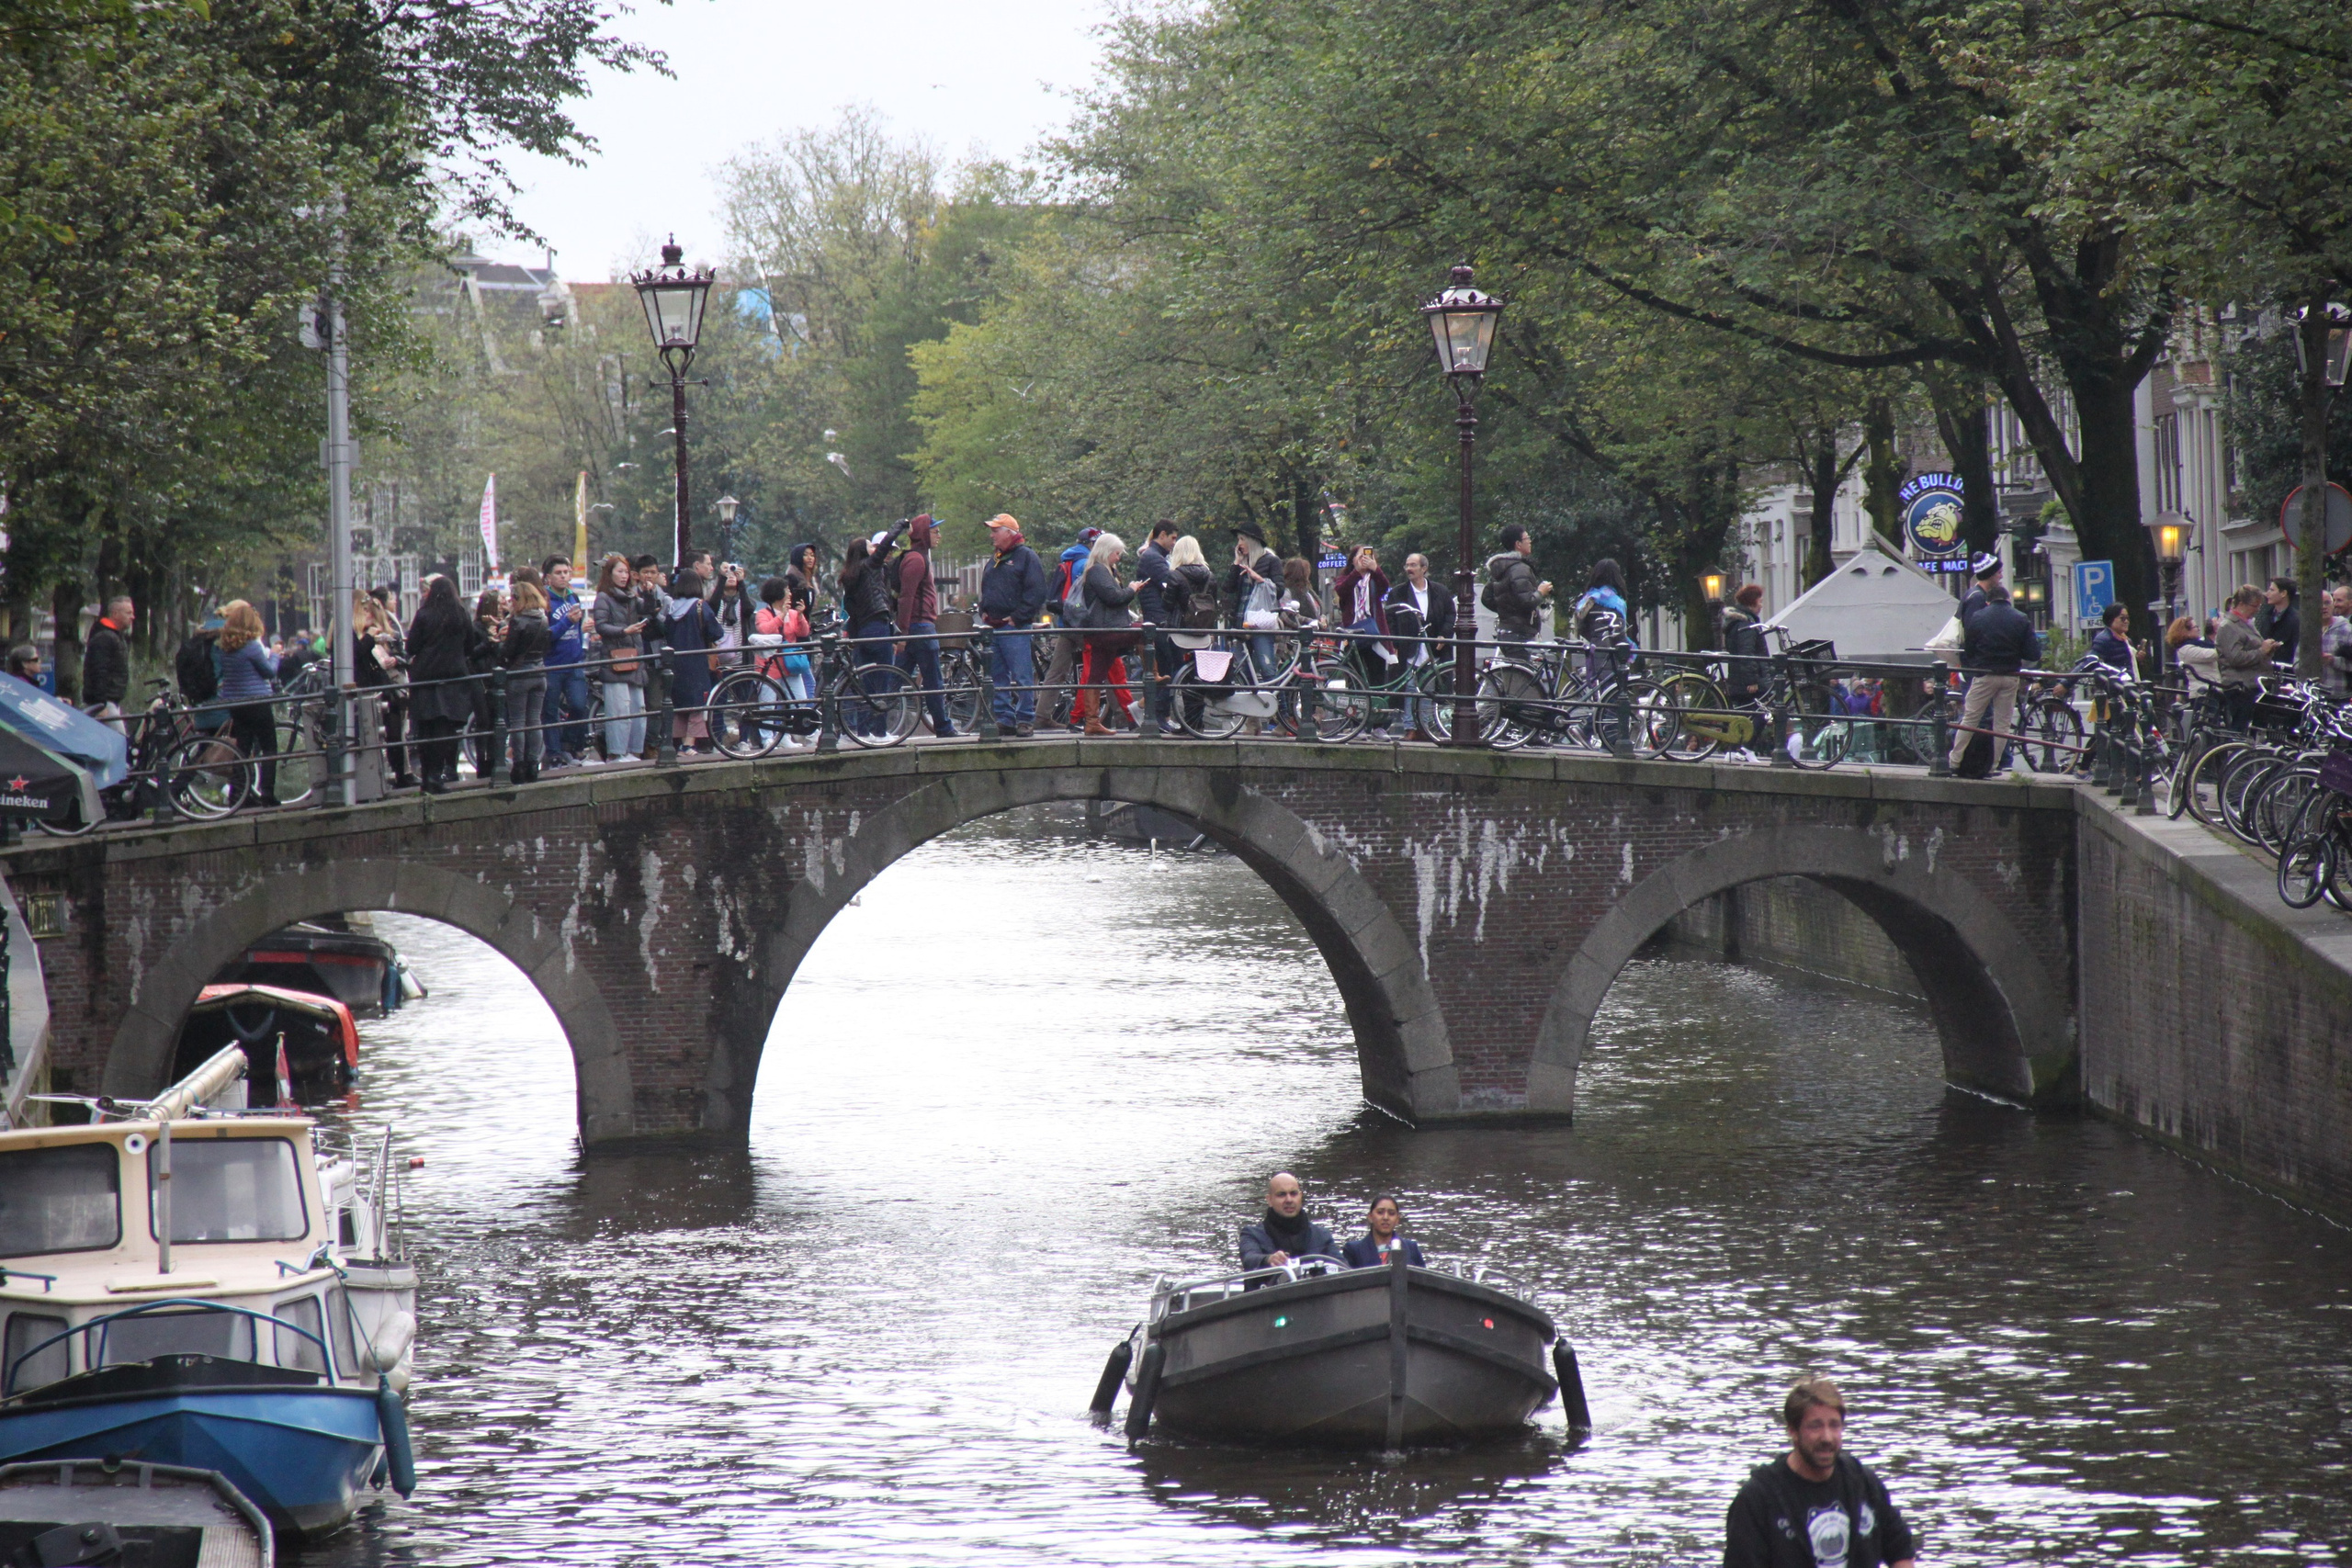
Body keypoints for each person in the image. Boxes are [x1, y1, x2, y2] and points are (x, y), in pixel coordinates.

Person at [1724, 1376, 1917, 1568]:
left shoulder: (1863, 1483)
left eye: (1834, 1425)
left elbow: (1900, 1549)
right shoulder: (1758, 1499)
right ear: (1793, 1431)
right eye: (1815, 1426)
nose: (1827, 1438)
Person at [1949, 582, 2040, 777]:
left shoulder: (1978, 617)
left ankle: (1954, 761)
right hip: (2010, 676)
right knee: (2002, 724)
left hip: (1985, 675)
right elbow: (2033, 653)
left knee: (1970, 718)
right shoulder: (2021, 618)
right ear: (2008, 599)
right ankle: (1992, 765)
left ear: (1988, 602)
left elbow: (1969, 649)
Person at [978, 513, 1049, 737]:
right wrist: (983, 610)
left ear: (1009, 533)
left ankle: (1025, 718)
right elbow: (988, 586)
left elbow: (1037, 591)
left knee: (1022, 675)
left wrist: (1018, 617)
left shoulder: (1026, 557)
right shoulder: (996, 558)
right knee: (997, 675)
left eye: (995, 531)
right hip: (995, 626)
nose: (991, 535)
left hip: (1014, 626)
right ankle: (1005, 718)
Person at [405, 575, 475, 794]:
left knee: (426, 731)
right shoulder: (461, 614)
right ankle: (438, 775)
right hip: (453, 679)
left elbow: (411, 647)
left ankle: (427, 777)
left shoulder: (424, 615)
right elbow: (470, 645)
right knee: (445, 731)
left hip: (426, 679)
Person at [892, 514, 957, 739]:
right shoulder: (916, 560)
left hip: (917, 628)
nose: (939, 535)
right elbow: (906, 597)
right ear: (923, 534)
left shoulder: (918, 558)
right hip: (920, 628)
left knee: (894, 679)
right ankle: (944, 728)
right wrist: (903, 633)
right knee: (933, 680)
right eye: (935, 531)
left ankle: (872, 722)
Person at [215, 600, 281, 806]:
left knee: (242, 749)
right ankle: (267, 793)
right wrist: (275, 656)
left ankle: (238, 795)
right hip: (257, 701)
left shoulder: (225, 648)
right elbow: (268, 672)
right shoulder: (252, 647)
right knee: (269, 747)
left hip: (236, 704)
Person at [1385, 552, 1455, 741]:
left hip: (1433, 648)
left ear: (1424, 568)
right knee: (1410, 686)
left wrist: (1444, 635)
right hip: (1408, 647)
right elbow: (1389, 618)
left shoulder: (1440, 591)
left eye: (1413, 565)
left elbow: (1450, 615)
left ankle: (1424, 727)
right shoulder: (1398, 593)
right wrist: (1395, 642)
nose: (1409, 569)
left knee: (1428, 687)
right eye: (1407, 565)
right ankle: (1410, 727)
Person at [1077, 531, 1140, 735]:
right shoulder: (1098, 571)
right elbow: (1113, 597)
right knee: (1145, 632)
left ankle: (1092, 722)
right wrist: (1131, 590)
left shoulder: (1101, 570)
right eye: (1117, 553)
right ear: (1106, 552)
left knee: (1095, 675)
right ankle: (1154, 675)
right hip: (1106, 630)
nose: (1118, 558)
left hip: (1101, 631)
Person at [353, 592, 415, 789]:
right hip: (369, 688)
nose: (369, 614)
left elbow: (402, 654)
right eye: (365, 610)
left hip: (384, 686)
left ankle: (401, 775)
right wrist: (370, 639)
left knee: (395, 731)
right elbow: (357, 655)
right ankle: (381, 779)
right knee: (375, 735)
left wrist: (393, 657)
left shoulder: (377, 632)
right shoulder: (355, 634)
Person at [1332, 545, 1396, 731]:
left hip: (1374, 633)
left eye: (1368, 556)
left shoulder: (1375, 579)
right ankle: (1356, 725)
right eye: (1360, 556)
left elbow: (1385, 587)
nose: (1364, 559)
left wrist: (1375, 569)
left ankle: (1378, 726)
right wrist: (1357, 573)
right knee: (1355, 681)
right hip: (1352, 634)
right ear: (1352, 560)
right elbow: (1342, 591)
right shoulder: (1345, 578)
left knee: (1378, 679)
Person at [591, 555, 649, 763]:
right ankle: (617, 753)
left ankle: (634, 752)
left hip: (634, 656)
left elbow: (649, 610)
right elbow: (601, 625)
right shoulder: (603, 597)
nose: (624, 576)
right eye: (620, 572)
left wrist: (649, 593)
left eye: (626, 572)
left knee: (638, 708)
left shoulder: (632, 596)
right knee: (619, 708)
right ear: (610, 574)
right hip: (615, 659)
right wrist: (624, 631)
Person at [1044, 527, 1101, 730]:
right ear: (1092, 544)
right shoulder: (1086, 564)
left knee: (1056, 671)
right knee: (1103, 667)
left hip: (1065, 623)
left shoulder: (1068, 560)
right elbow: (1083, 598)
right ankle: (1122, 714)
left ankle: (1042, 715)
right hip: (1081, 625)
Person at [663, 567, 724, 753]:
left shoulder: (672, 607)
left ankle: (681, 744)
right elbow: (716, 632)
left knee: (680, 705)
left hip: (674, 663)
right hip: (696, 662)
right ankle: (689, 744)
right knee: (698, 704)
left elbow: (664, 631)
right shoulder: (699, 606)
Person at [540, 556, 591, 769]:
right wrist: (566, 621)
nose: (563, 576)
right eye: (558, 573)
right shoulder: (545, 601)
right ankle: (554, 754)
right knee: (550, 711)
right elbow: (546, 635)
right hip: (552, 664)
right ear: (548, 577)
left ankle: (568, 745)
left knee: (579, 706)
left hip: (574, 663)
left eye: (566, 572)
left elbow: (576, 629)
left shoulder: (573, 597)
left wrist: (580, 645)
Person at [1227, 523, 1285, 710]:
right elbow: (1228, 587)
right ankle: (1253, 717)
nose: (1239, 543)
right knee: (1244, 673)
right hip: (1241, 623)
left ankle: (1282, 715)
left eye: (1242, 539)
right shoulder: (1241, 563)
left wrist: (1259, 579)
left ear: (1252, 541)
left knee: (1267, 669)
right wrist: (1236, 563)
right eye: (1238, 539)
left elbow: (1279, 590)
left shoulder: (1271, 561)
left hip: (1260, 624)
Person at [499, 581, 551, 783]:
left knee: (518, 723)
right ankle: (533, 765)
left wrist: (500, 644)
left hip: (520, 675)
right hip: (539, 672)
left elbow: (509, 651)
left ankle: (519, 766)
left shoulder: (518, 621)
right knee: (535, 721)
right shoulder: (543, 618)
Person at [752, 576, 813, 749]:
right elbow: (765, 630)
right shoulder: (763, 614)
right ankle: (767, 739)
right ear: (778, 593)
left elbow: (803, 632)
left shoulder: (792, 613)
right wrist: (782, 616)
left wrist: (800, 615)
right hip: (769, 665)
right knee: (768, 704)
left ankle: (785, 734)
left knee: (799, 700)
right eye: (787, 590)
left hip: (789, 665)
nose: (790, 593)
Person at [1238, 1172, 1338, 1271]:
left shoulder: (1322, 1235)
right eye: (1281, 1195)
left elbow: (1343, 1268)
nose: (1289, 1200)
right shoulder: (1252, 1234)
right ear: (1269, 1200)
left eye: (1293, 1194)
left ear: (1300, 1196)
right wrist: (1268, 1259)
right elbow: (1249, 1259)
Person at [2215, 583, 2278, 729]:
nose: (2257, 610)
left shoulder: (2247, 624)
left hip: (2253, 685)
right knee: (2241, 728)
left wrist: (2268, 650)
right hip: (2241, 688)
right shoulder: (2228, 626)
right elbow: (2235, 658)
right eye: (2254, 606)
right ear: (2242, 604)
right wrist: (2262, 651)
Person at [1485, 525, 1552, 645]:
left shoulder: (1503, 568)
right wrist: (1541, 592)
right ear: (1518, 544)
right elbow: (1527, 602)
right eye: (1527, 538)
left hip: (1506, 633)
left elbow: (1486, 598)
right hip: (1520, 634)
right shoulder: (1520, 569)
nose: (1530, 541)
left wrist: (1507, 612)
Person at [467, 586, 506, 773]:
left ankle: (494, 760)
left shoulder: (501, 626)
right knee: (483, 720)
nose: (501, 608)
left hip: (496, 679)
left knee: (496, 721)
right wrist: (488, 643)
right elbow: (470, 654)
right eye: (498, 605)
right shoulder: (475, 628)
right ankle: (481, 762)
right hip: (480, 679)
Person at [1340, 1195, 1427, 1269]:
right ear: (1370, 1217)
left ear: (1397, 1219)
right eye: (1380, 1212)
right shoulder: (1353, 1250)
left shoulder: (1411, 1248)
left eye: (1391, 1213)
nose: (1386, 1217)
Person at [82, 596, 132, 716]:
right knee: (117, 729)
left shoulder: (115, 636)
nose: (132, 617)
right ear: (115, 614)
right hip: (105, 703)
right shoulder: (104, 638)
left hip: (110, 702)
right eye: (128, 613)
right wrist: (100, 704)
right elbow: (98, 671)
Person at [2087, 601, 2138, 679]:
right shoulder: (2103, 640)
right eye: (2122, 618)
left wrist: (2137, 657)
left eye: (2127, 618)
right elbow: (2091, 662)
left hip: (2130, 683)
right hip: (2115, 683)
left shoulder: (2127, 640)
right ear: (2111, 619)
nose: (2126, 621)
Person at [2259, 576, 2301, 667]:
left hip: (2285, 668)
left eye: (2272, 590)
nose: (2267, 594)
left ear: (2283, 593)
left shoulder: (2296, 620)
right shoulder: (2266, 616)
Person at [1959, 551, 2002, 626]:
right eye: (1999, 573)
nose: (2001, 576)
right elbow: (1973, 628)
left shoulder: (1975, 594)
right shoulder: (1977, 598)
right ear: (1990, 575)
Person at [786, 543, 823, 620]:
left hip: (804, 624)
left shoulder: (809, 580)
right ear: (797, 557)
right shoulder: (791, 579)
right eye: (805, 555)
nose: (810, 558)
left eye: (812, 555)